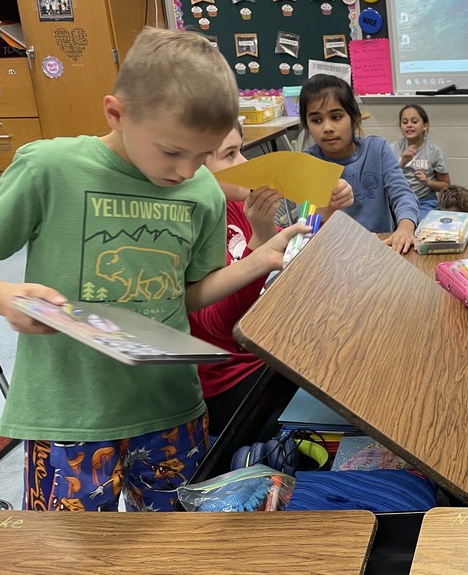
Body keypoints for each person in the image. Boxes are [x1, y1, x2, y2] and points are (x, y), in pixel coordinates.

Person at [0, 28, 305, 512]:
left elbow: (187, 294)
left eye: (202, 156)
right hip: (70, 416)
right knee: (67, 566)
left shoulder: (202, 192)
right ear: (116, 113)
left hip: (171, 412)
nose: (187, 171)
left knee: (174, 549)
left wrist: (259, 260)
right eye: (171, 152)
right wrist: (8, 296)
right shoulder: (50, 169)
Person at [189, 123, 353, 434]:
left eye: (241, 150)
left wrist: (327, 211)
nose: (245, 164)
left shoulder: (237, 207)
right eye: (230, 155)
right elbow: (223, 329)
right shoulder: (192, 229)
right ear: (193, 170)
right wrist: (259, 242)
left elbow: (294, 257)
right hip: (233, 382)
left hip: (269, 351)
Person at [300, 74, 418, 253]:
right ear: (307, 124)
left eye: (336, 117)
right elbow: (305, 224)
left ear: (354, 117)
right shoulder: (307, 163)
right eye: (316, 120)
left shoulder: (377, 149)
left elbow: (403, 194)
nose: (327, 128)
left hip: (381, 246)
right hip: (333, 250)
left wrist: (405, 228)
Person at [390, 103, 451, 220]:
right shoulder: (393, 148)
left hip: (425, 201)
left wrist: (427, 182)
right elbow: (386, 178)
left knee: (418, 225)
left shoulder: (435, 152)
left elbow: (445, 185)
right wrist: (403, 162)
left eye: (414, 121)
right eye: (404, 122)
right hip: (398, 199)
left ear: (425, 126)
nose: (409, 125)